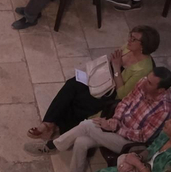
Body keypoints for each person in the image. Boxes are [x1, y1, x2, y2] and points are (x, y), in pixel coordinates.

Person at [31, 66, 171, 172]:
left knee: (86, 125)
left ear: (161, 90)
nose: (144, 83)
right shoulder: (143, 83)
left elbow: (143, 136)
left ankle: (52, 146)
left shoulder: (164, 109)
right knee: (81, 141)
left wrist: (116, 129)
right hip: (118, 126)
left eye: (149, 83)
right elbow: (125, 102)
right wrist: (115, 120)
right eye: (147, 78)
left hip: (130, 142)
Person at [27, 26, 159, 141]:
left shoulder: (144, 69)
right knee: (72, 84)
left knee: (82, 99)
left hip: (111, 92)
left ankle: (59, 128)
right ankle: (48, 123)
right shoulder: (128, 47)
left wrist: (117, 68)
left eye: (134, 39)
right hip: (103, 78)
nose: (129, 40)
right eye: (130, 36)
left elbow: (122, 94)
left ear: (143, 46)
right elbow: (113, 60)